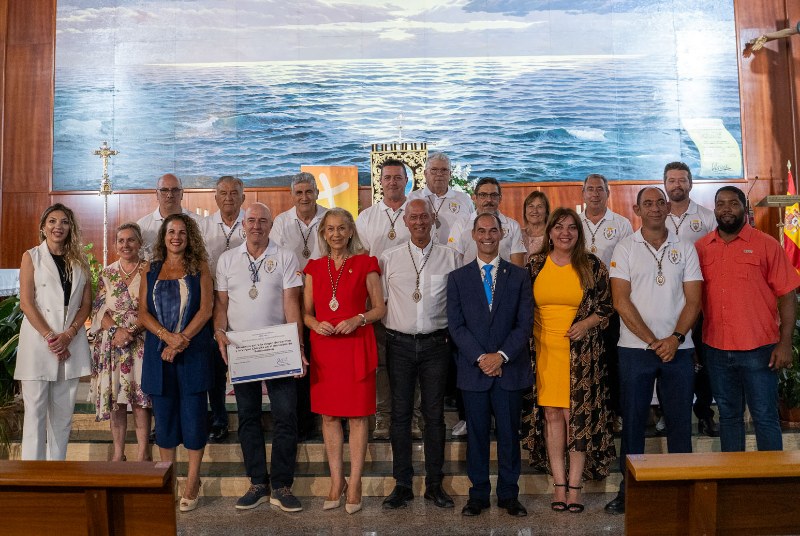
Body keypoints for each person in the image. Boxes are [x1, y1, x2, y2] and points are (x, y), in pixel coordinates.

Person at [605, 187, 702, 515]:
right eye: (648, 203)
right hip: (635, 350)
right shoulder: (625, 247)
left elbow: (694, 301)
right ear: (637, 210)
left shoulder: (685, 247)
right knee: (633, 424)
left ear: (668, 207)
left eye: (661, 202)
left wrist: (674, 338)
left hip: (679, 350)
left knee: (679, 423)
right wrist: (653, 341)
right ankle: (629, 491)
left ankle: (682, 490)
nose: (656, 208)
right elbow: (620, 301)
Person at [214, 203, 307, 512]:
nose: (256, 225)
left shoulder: (285, 256)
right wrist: (219, 331)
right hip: (242, 351)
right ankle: (257, 482)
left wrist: (298, 347)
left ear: (270, 225)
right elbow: (221, 305)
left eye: (262, 220)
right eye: (251, 220)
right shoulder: (227, 260)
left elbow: (292, 303)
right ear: (244, 225)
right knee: (248, 417)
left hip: (278, 349)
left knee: (286, 416)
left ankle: (281, 485)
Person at [522, 207, 615, 514]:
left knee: (576, 418)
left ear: (579, 232)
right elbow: (523, 307)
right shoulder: (535, 264)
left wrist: (586, 324)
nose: (565, 232)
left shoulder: (592, 264)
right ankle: (558, 484)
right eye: (559, 227)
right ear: (549, 232)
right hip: (543, 353)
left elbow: (606, 307)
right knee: (551, 415)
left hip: (582, 355)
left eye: (572, 227)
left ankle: (575, 486)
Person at [695, 186, 800, 452]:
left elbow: (788, 295)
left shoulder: (766, 244)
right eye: (721, 204)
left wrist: (785, 343)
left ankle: (769, 477)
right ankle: (735, 477)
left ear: (745, 208)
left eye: (733, 203)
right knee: (729, 418)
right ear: (714, 209)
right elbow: (692, 300)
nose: (726, 209)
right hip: (717, 349)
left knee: (765, 417)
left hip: (759, 349)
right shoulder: (701, 248)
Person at [447, 213, 534, 518]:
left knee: (509, 435)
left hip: (509, 369)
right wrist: (483, 358)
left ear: (501, 234)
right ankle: (479, 494)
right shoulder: (458, 278)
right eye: (481, 231)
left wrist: (501, 356)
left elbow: (524, 324)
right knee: (477, 436)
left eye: (493, 231)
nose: (487, 236)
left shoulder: (519, 276)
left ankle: (509, 494)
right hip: (474, 371)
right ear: (473, 235)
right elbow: (456, 326)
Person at [379, 199, 461, 510]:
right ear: (405, 221)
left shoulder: (451, 257)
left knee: (434, 416)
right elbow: (381, 303)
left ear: (432, 219)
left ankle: (434, 484)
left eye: (424, 216)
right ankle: (402, 484)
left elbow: (458, 305)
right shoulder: (389, 258)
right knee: (400, 415)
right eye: (413, 217)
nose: (419, 222)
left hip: (436, 345)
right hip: (398, 344)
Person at [303, 207, 386, 514]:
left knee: (358, 417)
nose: (336, 234)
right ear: (323, 233)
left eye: (341, 228)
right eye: (330, 228)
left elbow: (379, 308)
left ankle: (355, 484)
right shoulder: (313, 268)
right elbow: (306, 313)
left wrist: (358, 319)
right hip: (325, 348)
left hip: (355, 344)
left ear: (351, 231)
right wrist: (314, 324)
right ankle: (336, 481)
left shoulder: (366, 263)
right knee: (328, 417)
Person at [138, 213, 214, 513]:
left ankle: (193, 481)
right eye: (171, 232)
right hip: (159, 354)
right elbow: (143, 313)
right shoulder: (150, 269)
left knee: (194, 417)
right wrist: (167, 338)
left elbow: (206, 310)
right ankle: (169, 478)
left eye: (182, 232)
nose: (176, 237)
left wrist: (181, 340)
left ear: (189, 236)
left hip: (192, 352)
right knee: (165, 419)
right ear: (163, 236)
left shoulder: (200, 267)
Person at [16, 203, 92, 461]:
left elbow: (86, 304)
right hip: (39, 341)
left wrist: (68, 335)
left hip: (71, 341)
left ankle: (56, 471)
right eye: (52, 221)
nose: (58, 226)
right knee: (35, 414)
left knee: (63, 416)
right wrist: (51, 338)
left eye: (64, 222)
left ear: (71, 228)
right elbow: (26, 303)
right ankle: (32, 475)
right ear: (43, 227)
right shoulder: (31, 257)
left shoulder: (81, 260)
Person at [355, 159, 420, 440]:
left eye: (398, 177)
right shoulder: (366, 218)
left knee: (412, 364)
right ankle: (382, 417)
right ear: (379, 182)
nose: (392, 182)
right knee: (381, 364)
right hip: (376, 302)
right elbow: (359, 261)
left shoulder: (418, 214)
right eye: (388, 177)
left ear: (407, 181)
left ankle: (413, 417)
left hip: (411, 302)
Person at [271, 171, 328, 440]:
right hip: (292, 298)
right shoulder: (281, 222)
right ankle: (303, 422)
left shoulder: (329, 218)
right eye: (299, 192)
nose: (304, 197)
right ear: (292, 195)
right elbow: (274, 259)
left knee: (323, 361)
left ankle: (329, 414)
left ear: (317, 193)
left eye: (309, 192)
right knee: (297, 360)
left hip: (326, 299)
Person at [663, 162, 719, 437]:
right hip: (666, 301)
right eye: (672, 180)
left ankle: (705, 413)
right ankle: (667, 415)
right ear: (665, 185)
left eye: (682, 180)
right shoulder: (657, 216)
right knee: (669, 358)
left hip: (702, 301)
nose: (677, 185)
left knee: (703, 361)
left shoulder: (707, 217)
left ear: (690, 183)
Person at [89, 222, 151, 462]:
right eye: (121, 241)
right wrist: (116, 331)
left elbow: (155, 307)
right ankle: (118, 453)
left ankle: (143, 453)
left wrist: (131, 331)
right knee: (116, 400)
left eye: (131, 240)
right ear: (115, 245)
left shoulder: (150, 269)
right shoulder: (107, 273)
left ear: (140, 243)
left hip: (142, 341)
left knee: (140, 399)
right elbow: (98, 310)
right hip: (113, 343)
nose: (126, 245)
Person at [580, 173, 633, 432]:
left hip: (611, 303)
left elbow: (630, 262)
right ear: (583, 194)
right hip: (579, 303)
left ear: (607, 193)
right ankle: (586, 410)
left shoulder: (621, 224)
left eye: (599, 189)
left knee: (612, 359)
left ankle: (615, 412)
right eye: (590, 189)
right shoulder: (574, 223)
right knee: (584, 360)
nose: (595, 193)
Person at [199, 175, 247, 444]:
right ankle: (219, 418)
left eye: (234, 193)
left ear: (243, 197)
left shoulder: (253, 222)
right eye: (223, 193)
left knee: (245, 363)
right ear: (215, 198)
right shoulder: (203, 226)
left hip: (244, 303)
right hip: (211, 304)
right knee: (216, 367)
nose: (229, 197)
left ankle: (248, 418)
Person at [448, 177, 526, 267]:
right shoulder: (461, 225)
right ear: (474, 198)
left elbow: (517, 266)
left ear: (500, 198)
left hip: (504, 275)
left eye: (494, 195)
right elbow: (453, 262)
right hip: (469, 276)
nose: (489, 199)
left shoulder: (513, 226)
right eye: (483, 195)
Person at [407, 152, 474, 244]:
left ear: (450, 174)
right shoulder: (411, 199)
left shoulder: (464, 200)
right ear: (425, 173)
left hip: (456, 252)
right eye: (434, 170)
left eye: (444, 170)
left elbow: (472, 230)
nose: (439, 174)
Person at [136, 173, 203, 259]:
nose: (170, 195)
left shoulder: (200, 223)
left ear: (182, 194)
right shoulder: (142, 226)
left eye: (175, 190)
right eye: (164, 190)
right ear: (157, 194)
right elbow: (137, 260)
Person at [521, 191, 550, 263]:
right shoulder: (518, 234)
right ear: (525, 211)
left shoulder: (552, 236)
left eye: (539, 206)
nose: (535, 211)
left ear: (546, 212)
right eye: (531, 206)